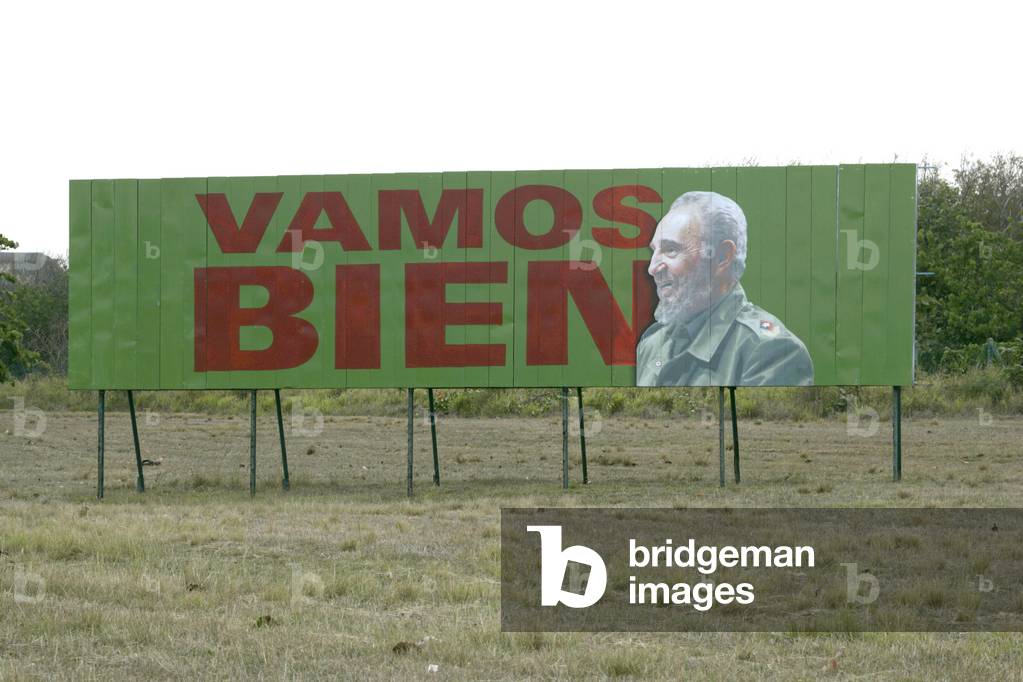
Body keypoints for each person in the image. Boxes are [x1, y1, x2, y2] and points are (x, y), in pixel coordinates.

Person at [636, 191, 813, 387]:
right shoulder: (652, 344)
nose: (653, 268)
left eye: (671, 250)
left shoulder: (772, 353)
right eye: (655, 251)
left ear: (722, 257)